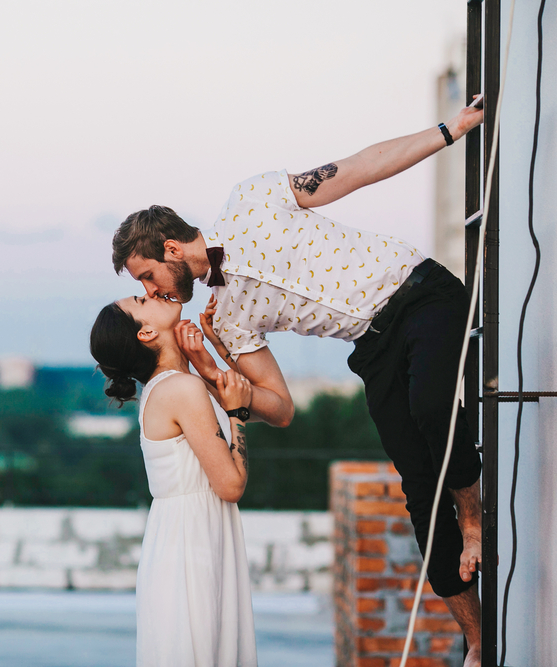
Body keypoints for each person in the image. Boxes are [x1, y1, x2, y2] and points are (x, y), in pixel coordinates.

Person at [110, 97, 486, 667]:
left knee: (432, 407)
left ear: (169, 249)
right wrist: (217, 373)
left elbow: (359, 169)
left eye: (148, 279)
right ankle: (478, 639)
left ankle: (473, 516)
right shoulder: (227, 319)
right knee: (415, 485)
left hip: (421, 294)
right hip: (374, 346)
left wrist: (448, 131)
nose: (158, 293)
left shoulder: (253, 198)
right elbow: (279, 407)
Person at [90, 294, 259, 667]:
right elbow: (231, 485)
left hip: (187, 534)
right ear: (147, 332)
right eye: (140, 299)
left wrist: (206, 362)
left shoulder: (175, 384)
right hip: (191, 544)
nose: (151, 293)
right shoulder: (180, 389)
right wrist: (238, 414)